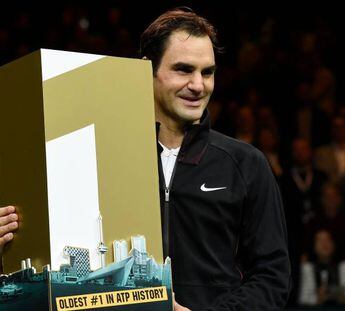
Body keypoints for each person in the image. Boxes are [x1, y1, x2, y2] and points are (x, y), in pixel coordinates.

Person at [0, 8, 290, 310]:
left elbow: (272, 278)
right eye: (183, 69)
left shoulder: (245, 164)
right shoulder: (97, 160)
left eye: (207, 72)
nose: (198, 85)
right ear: (146, 70)